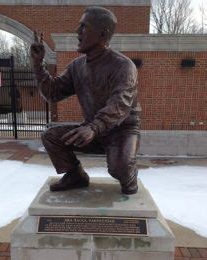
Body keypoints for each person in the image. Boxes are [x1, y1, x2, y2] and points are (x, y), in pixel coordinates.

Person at [30, 6, 141, 194]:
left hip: (121, 131)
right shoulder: (77, 67)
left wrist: (93, 127)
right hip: (93, 130)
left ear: (102, 34)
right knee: (51, 136)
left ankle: (129, 173)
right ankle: (75, 175)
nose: (77, 31)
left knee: (119, 169)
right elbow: (53, 93)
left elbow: (120, 105)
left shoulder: (123, 66)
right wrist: (38, 65)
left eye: (84, 27)